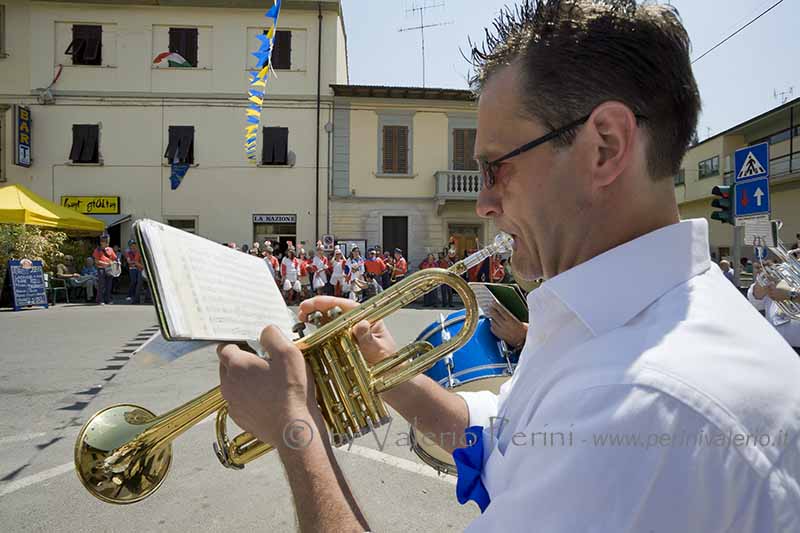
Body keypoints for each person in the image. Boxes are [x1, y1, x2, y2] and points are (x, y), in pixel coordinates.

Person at [216, 2, 800, 531]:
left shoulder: (639, 396)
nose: (483, 202)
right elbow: (512, 436)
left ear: (605, 146)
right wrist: (386, 370)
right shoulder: (616, 322)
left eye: (496, 166)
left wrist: (297, 433)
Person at [748, 259, 800, 355]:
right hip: (774, 347)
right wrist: (762, 279)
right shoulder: (783, 268)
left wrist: (791, 294)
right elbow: (756, 301)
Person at [92, 233, 117, 305]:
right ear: (101, 242)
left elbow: (114, 258)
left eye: (107, 242)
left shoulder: (110, 249)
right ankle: (100, 300)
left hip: (109, 269)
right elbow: (96, 261)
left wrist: (117, 262)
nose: (106, 243)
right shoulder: (97, 250)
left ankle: (108, 299)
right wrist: (106, 264)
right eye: (105, 242)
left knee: (109, 285)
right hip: (101, 269)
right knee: (101, 285)